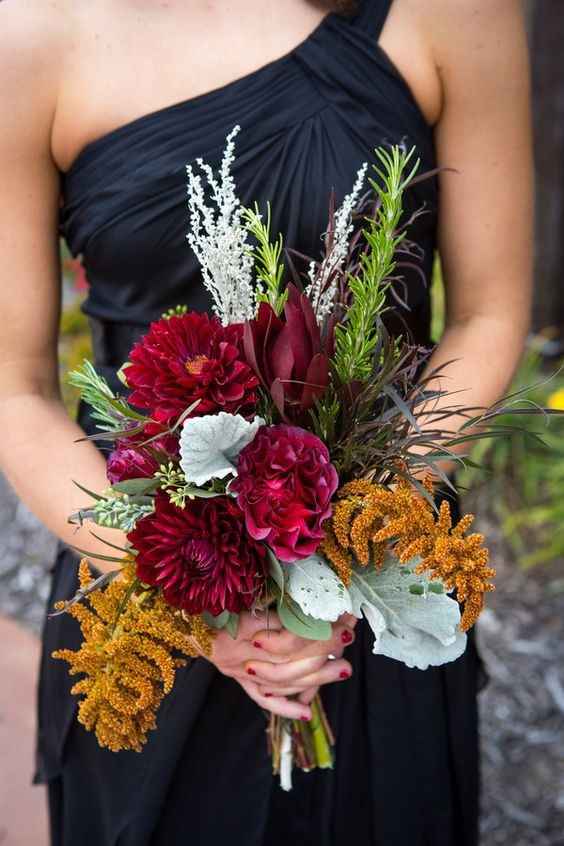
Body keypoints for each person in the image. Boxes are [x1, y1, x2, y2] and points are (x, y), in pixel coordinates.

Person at [0, 0, 532, 843]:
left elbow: (491, 313)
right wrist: (194, 596)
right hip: (148, 580)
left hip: (378, 576)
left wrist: (342, 548)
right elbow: (13, 386)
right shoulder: (29, 32)